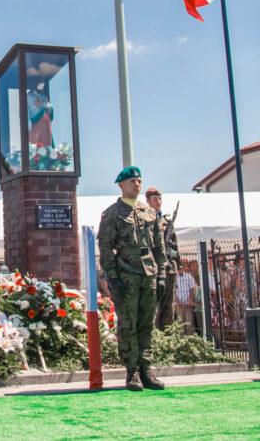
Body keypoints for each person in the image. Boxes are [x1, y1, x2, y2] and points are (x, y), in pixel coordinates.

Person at [97, 166, 167, 392]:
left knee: (147, 323)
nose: (137, 185)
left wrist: (162, 275)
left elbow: (159, 247)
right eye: (132, 181)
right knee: (128, 324)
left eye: (139, 181)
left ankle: (146, 369)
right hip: (125, 273)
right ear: (121, 184)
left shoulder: (149, 213)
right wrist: (112, 277)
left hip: (148, 274)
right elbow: (105, 247)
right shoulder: (112, 214)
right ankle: (132, 372)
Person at [147, 187, 177, 329]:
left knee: (168, 307)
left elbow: (174, 245)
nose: (158, 202)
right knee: (154, 307)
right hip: (154, 269)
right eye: (155, 199)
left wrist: (177, 265)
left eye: (160, 199)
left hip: (169, 269)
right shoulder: (145, 220)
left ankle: (168, 339)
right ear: (148, 201)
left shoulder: (167, 222)